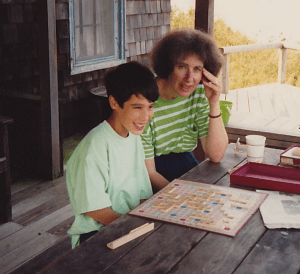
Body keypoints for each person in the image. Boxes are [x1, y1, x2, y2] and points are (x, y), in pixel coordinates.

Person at [66, 61, 159, 248]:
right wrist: (133, 226)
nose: (146, 116)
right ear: (114, 102)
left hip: (127, 225)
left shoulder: (132, 135)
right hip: (97, 235)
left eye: (150, 106)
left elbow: (141, 194)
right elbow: (95, 209)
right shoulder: (96, 145)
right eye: (137, 107)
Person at [141, 29, 229, 191]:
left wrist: (214, 103)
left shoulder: (199, 94)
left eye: (197, 69)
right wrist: (182, 196)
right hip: (152, 175)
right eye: (182, 67)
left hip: (187, 166)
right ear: (168, 66)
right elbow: (149, 172)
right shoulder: (146, 100)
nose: (189, 78)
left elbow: (216, 155)